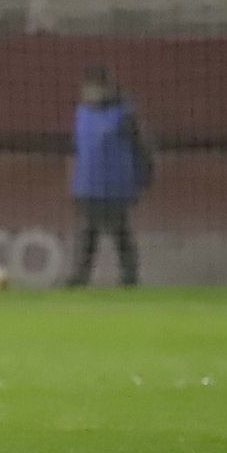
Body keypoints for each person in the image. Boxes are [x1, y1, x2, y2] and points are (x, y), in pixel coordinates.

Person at [66, 65, 153, 288]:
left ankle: (129, 277)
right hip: (87, 185)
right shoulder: (81, 112)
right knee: (87, 234)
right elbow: (78, 150)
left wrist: (144, 175)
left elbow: (140, 146)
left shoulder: (124, 113)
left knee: (119, 231)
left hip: (115, 185)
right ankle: (80, 277)